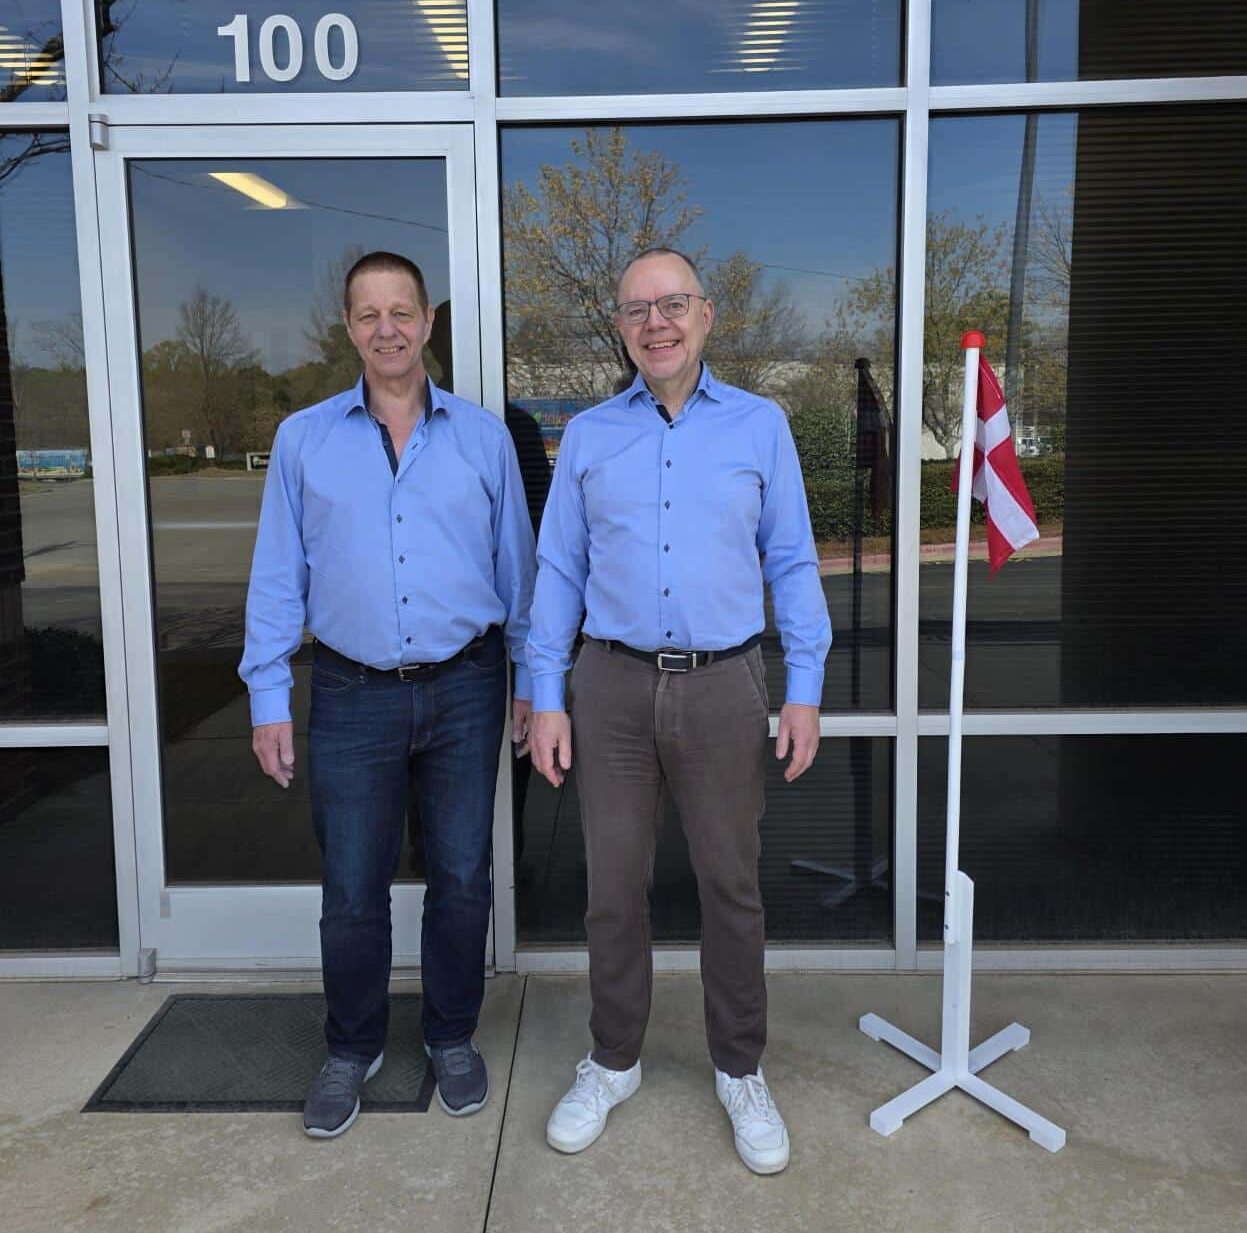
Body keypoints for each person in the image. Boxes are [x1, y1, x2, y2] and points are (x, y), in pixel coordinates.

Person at [527, 247, 831, 1175]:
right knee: (612, 889)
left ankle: (739, 1066)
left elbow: (791, 560)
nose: (654, 322)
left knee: (728, 888)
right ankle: (612, 1057)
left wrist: (805, 687)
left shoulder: (759, 425)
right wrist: (546, 694)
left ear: (706, 316)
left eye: (671, 305)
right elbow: (558, 572)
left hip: (723, 684)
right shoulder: (585, 435)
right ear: (619, 328)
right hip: (610, 685)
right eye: (635, 310)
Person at [240, 251, 535, 1138]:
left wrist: (531, 681)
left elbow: (517, 573)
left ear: (427, 323)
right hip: (350, 691)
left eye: (400, 311)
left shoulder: (483, 438)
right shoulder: (304, 440)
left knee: (460, 875)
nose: (386, 329)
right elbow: (275, 578)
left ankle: (450, 1034)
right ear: (348, 328)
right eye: (367, 315)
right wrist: (265, 694)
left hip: (467, 685)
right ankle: (352, 1044)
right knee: (354, 885)